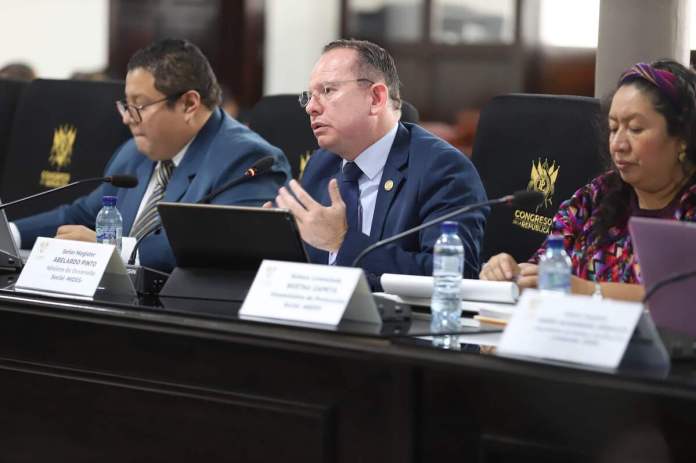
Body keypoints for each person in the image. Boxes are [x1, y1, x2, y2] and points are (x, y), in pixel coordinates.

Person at [11, 38, 291, 272]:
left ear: (189, 104)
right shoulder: (135, 151)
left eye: (140, 106)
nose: (127, 119)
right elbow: (83, 214)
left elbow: (221, 247)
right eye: (126, 106)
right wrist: (10, 234)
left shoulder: (246, 159)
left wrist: (112, 252)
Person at [268, 39, 488, 290]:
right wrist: (278, 242)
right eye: (309, 96)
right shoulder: (322, 163)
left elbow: (454, 275)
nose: (311, 107)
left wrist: (342, 242)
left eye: (328, 90)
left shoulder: (443, 169)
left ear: (375, 98)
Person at [480, 60, 696, 301]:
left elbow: (682, 300)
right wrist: (512, 272)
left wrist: (588, 291)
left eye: (635, 129)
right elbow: (544, 269)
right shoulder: (595, 197)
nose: (618, 145)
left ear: (682, 138)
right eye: (614, 129)